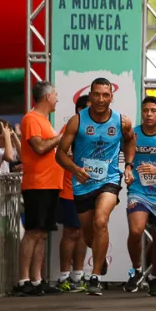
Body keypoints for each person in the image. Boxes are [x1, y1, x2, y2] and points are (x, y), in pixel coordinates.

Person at [56, 78, 136, 296]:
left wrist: (128, 165)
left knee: (101, 219)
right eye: (97, 94)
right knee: (89, 235)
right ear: (90, 95)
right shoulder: (77, 121)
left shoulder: (121, 121)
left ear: (112, 97)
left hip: (109, 179)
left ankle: (96, 275)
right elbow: (60, 154)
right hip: (82, 183)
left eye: (106, 95)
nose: (101, 99)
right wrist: (75, 170)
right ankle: (100, 260)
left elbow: (130, 140)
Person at [14, 81, 64, 296]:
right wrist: (61, 137)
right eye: (55, 95)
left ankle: (37, 280)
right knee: (34, 231)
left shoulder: (43, 120)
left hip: (50, 182)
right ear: (47, 97)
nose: (57, 99)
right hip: (37, 183)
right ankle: (23, 279)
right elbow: (40, 147)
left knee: (42, 233)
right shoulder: (32, 118)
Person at [124, 96, 156, 297]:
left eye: (153, 110)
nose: (149, 114)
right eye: (145, 110)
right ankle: (136, 270)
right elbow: (125, 157)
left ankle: (154, 276)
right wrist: (128, 170)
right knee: (136, 231)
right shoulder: (133, 133)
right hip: (138, 190)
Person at [56, 95, 90, 293]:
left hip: (90, 189)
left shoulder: (98, 129)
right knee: (71, 233)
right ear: (78, 110)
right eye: (87, 109)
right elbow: (62, 155)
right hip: (70, 189)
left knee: (84, 233)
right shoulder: (70, 129)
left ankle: (78, 275)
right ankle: (63, 276)